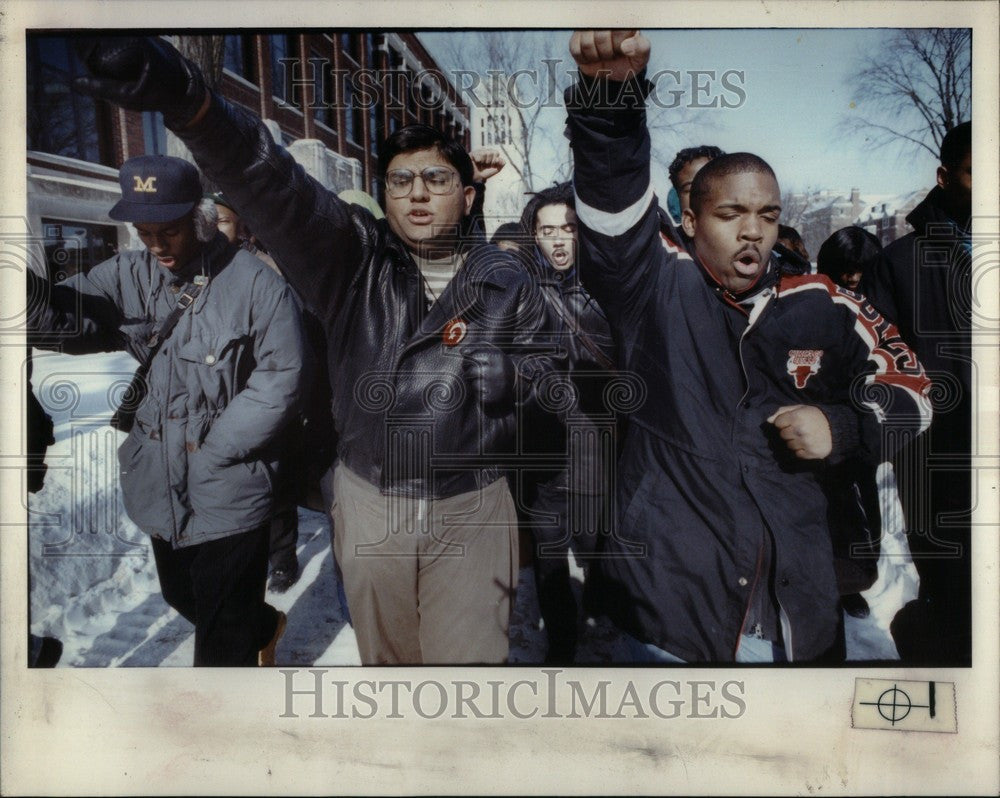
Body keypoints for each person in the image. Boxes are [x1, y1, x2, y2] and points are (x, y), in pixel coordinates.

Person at [73, 36, 557, 665]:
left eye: (436, 178)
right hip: (372, 497)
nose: (416, 191)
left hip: (472, 504)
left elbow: (555, 381)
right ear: (383, 195)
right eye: (400, 179)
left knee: (465, 679)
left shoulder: (505, 276)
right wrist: (191, 106)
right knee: (389, 668)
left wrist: (515, 379)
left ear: (468, 196)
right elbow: (273, 183)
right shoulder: (353, 259)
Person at [566, 30, 933, 663]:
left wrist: (841, 425)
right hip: (669, 611)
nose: (752, 231)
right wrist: (611, 106)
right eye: (731, 213)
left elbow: (916, 393)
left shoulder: (825, 300)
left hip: (796, 610)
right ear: (689, 221)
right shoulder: (654, 284)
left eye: (767, 214)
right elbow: (612, 212)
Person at [45, 154, 305, 667]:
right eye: (144, 232)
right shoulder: (127, 273)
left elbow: (283, 377)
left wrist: (219, 452)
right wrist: (26, 297)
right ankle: (263, 624)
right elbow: (62, 313)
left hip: (229, 480)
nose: (157, 245)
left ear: (200, 221)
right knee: (181, 596)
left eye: (169, 231)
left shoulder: (257, 285)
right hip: (161, 479)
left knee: (219, 646)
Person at [861, 121, 973, 665]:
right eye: (978, 173)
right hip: (942, 465)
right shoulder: (897, 264)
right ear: (946, 176)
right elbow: (884, 376)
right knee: (956, 600)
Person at [516, 182, 617, 663]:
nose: (558, 240)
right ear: (533, 235)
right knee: (549, 562)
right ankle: (560, 643)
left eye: (569, 229)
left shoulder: (611, 293)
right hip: (543, 457)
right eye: (547, 230)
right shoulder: (520, 293)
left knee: (598, 555)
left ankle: (599, 617)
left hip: (598, 454)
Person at [207, 191, 303, 593]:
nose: (214, 230)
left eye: (223, 221)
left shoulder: (265, 271)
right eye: (207, 221)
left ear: (242, 226)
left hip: (263, 390)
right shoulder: (198, 270)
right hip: (217, 393)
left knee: (271, 479)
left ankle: (281, 556)